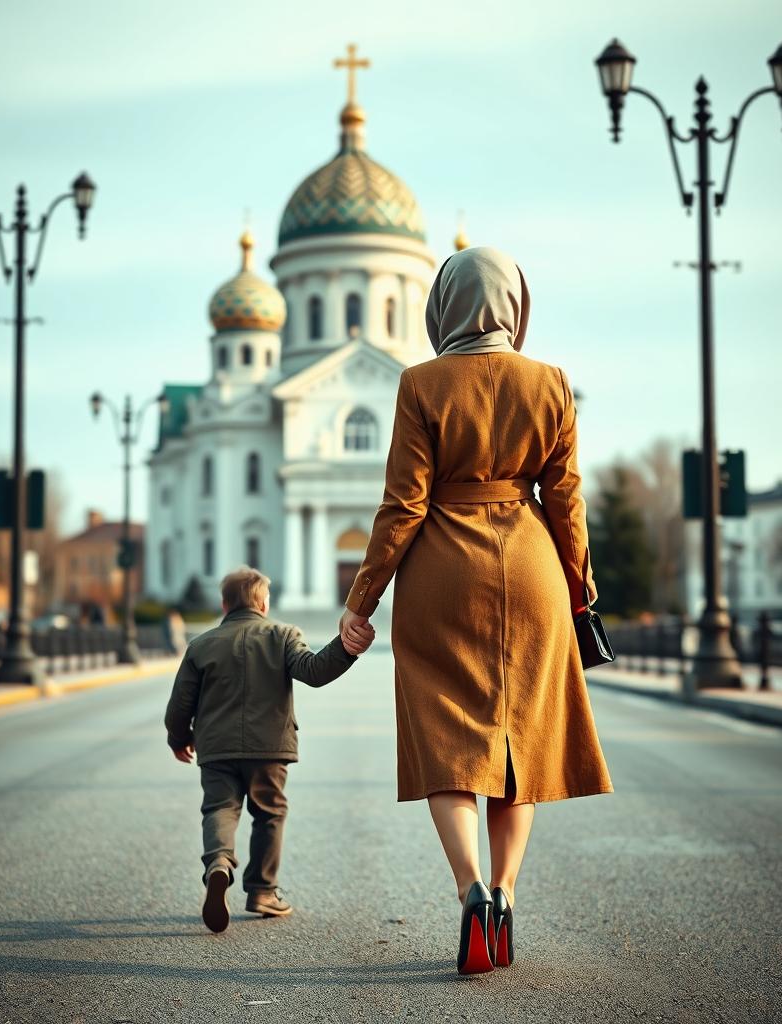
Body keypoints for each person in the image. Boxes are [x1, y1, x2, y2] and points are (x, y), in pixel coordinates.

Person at [338, 246, 613, 975]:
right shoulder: (551, 382)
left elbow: (403, 506)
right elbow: (567, 500)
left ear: (443, 307)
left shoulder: (421, 382)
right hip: (532, 569)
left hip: (440, 574)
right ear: (514, 306)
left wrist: (361, 600)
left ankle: (470, 890)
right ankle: (509, 893)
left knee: (449, 741)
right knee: (520, 740)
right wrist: (579, 584)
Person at [165, 565, 375, 934]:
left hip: (216, 747)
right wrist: (346, 647)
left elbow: (181, 702)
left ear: (224, 603)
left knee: (220, 808)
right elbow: (313, 671)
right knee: (269, 813)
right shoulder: (283, 634)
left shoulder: (201, 644)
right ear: (263, 604)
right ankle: (262, 891)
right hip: (269, 747)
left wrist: (178, 737)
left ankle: (218, 862)